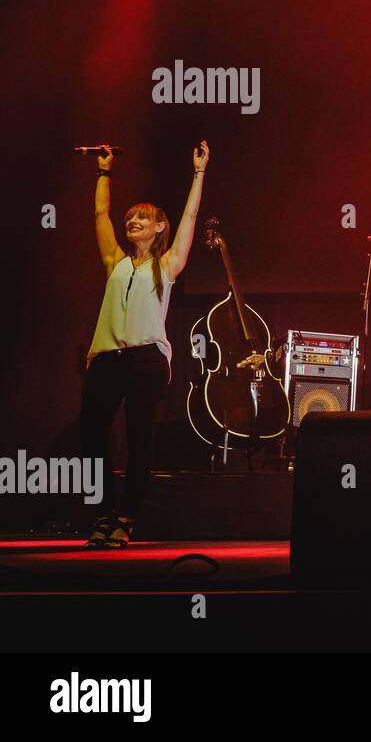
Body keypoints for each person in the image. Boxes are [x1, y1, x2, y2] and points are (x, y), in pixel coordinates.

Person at [80, 141, 210, 547]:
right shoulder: (114, 262)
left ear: (159, 229)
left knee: (139, 436)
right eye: (132, 216)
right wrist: (105, 171)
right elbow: (100, 213)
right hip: (106, 357)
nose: (133, 220)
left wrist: (199, 172)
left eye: (144, 217)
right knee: (93, 437)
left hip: (146, 358)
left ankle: (126, 517)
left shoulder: (166, 265)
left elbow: (190, 215)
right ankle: (102, 515)